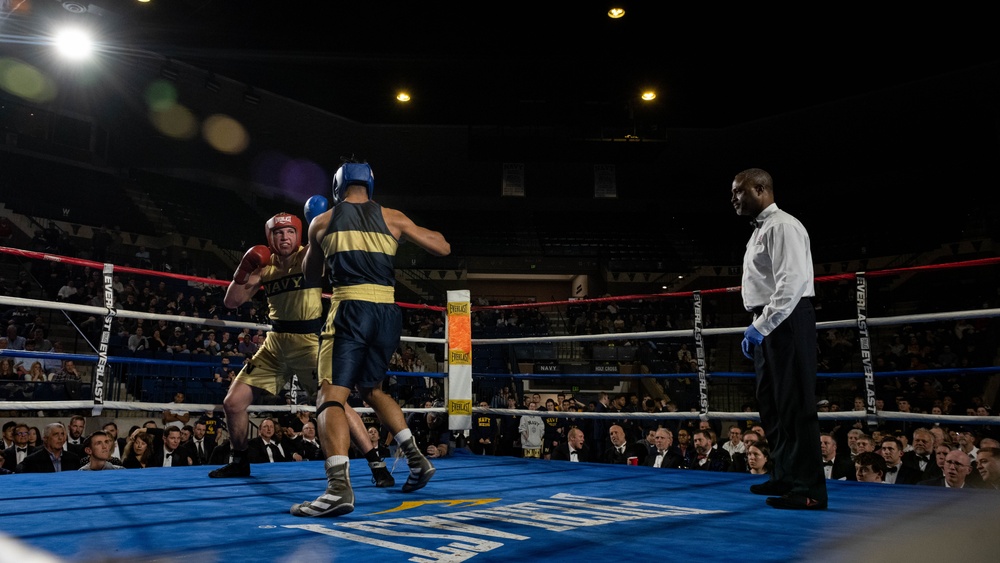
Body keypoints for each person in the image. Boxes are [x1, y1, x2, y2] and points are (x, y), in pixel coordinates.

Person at [293, 159, 451, 517]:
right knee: (373, 389)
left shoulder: (324, 220)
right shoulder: (393, 217)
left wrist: (315, 236)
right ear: (370, 185)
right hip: (387, 313)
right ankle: (416, 460)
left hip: (350, 308)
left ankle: (337, 490)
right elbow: (443, 247)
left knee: (329, 395)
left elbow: (310, 277)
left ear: (338, 185)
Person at [208, 210, 394, 489]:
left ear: (298, 234)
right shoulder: (263, 264)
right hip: (274, 343)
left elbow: (334, 254)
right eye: (278, 232)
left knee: (336, 405)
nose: (284, 237)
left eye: (290, 232)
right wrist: (244, 269)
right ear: (270, 237)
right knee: (232, 403)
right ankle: (240, 461)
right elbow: (232, 302)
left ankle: (376, 462)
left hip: (308, 343)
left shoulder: (309, 255)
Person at [733, 168, 826, 510]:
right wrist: (759, 323)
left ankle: (810, 489)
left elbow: (792, 283)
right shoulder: (760, 231)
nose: (734, 199)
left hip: (786, 319)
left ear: (760, 189)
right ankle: (786, 475)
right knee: (772, 405)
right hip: (768, 319)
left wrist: (764, 324)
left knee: (796, 405)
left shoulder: (783, 225)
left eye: (739, 192)